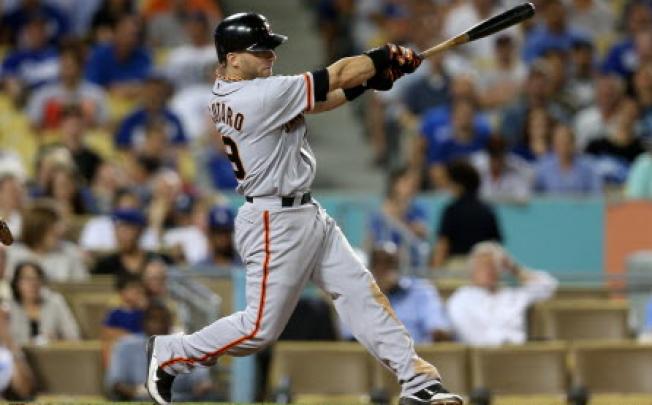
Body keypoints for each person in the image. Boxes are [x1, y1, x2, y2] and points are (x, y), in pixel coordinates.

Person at [145, 13, 463, 405]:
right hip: (272, 220)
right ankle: (170, 354)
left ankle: (417, 381)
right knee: (258, 329)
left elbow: (320, 100)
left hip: (304, 212)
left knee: (360, 292)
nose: (269, 55)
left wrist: (371, 81)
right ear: (231, 58)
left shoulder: (238, 90)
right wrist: (384, 56)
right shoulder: (255, 95)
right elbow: (337, 74)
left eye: (270, 48)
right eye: (258, 49)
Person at [447, 242, 558, 346]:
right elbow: (471, 336)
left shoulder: (513, 295)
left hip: (518, 353)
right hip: (483, 356)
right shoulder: (461, 299)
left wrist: (514, 268)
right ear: (471, 270)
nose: (488, 270)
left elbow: (547, 286)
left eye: (492, 265)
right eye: (482, 265)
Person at [342, 243, 451, 343]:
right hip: (373, 359)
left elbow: (438, 330)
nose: (384, 270)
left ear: (400, 266)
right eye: (378, 264)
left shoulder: (421, 291)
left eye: (390, 263)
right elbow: (350, 338)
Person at [106, 302, 213, 401]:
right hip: (138, 400)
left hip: (180, 400)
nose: (159, 324)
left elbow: (202, 380)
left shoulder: (185, 345)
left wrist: (203, 386)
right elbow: (115, 383)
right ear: (143, 323)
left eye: (163, 320)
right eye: (153, 320)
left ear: (170, 323)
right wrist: (135, 392)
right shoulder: (125, 346)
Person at [432, 160, 502, 269]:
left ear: (458, 184)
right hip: (482, 269)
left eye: (450, 183)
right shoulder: (487, 210)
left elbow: (443, 245)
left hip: (456, 270)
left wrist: (435, 273)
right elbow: (496, 245)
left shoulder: (452, 210)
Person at [5, 200, 88, 282]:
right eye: (52, 232)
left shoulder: (70, 252)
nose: (59, 234)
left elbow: (82, 285)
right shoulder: (13, 255)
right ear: (38, 231)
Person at [368, 167, 430, 272]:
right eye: (406, 181)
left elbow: (422, 233)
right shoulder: (380, 212)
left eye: (413, 183)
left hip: (411, 261)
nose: (411, 186)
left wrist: (399, 215)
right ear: (394, 184)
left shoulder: (418, 209)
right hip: (386, 260)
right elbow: (372, 239)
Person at [7, 261, 80, 345]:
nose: (33, 284)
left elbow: (74, 337)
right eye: (27, 279)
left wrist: (57, 340)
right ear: (16, 283)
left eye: (37, 279)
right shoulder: (8, 306)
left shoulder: (55, 301)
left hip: (51, 354)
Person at [534, 124, 603, 195]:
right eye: (559, 142)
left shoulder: (588, 166)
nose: (563, 146)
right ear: (553, 145)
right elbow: (534, 195)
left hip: (580, 205)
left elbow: (596, 195)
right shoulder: (543, 167)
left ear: (573, 143)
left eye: (567, 142)